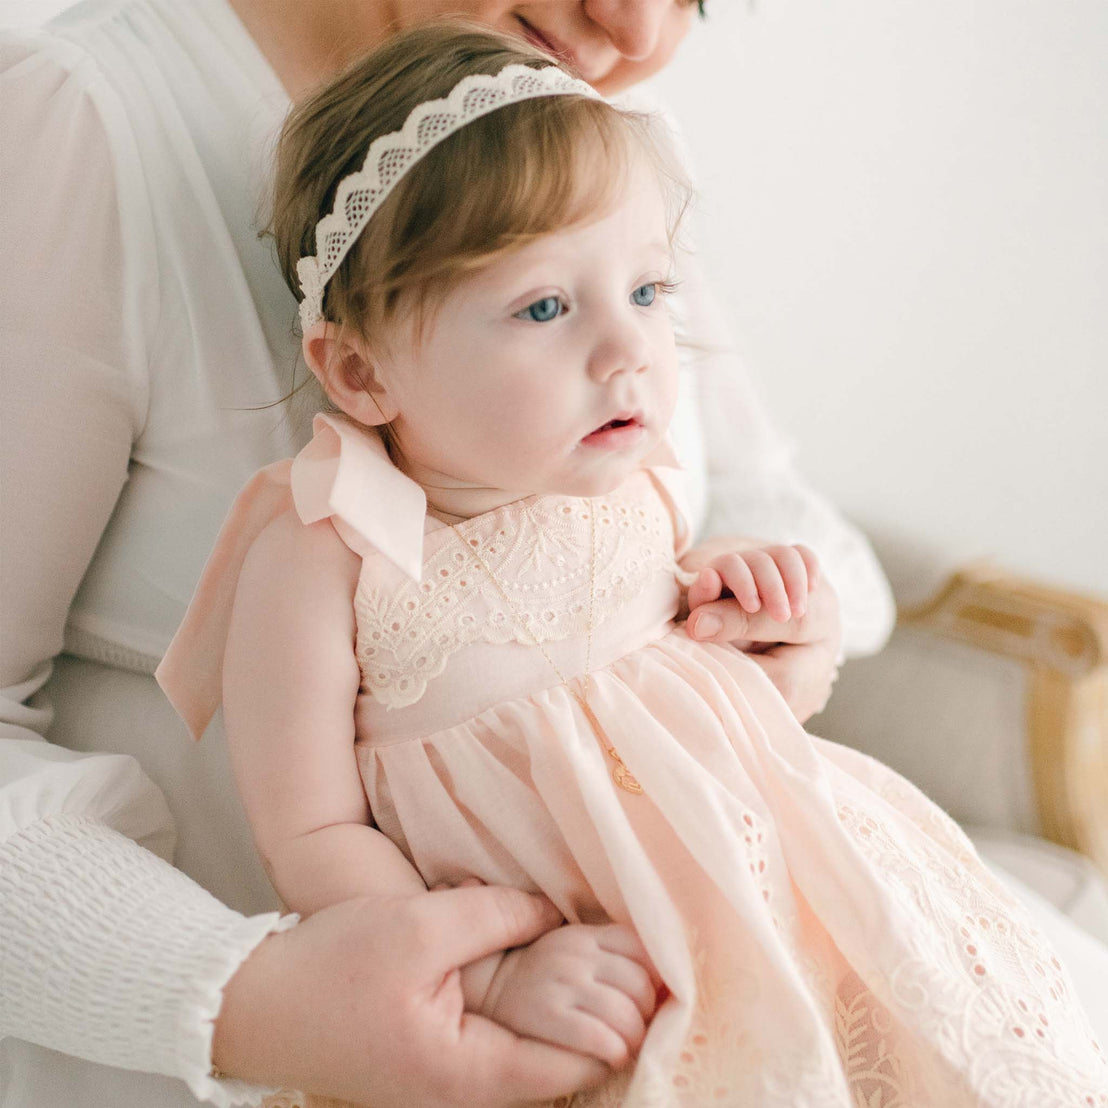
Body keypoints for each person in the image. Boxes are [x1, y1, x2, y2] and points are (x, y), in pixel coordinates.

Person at [156, 26, 1108, 1107]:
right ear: (362, 369)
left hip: (776, 900)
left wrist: (773, 633)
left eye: (650, 292)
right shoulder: (328, 548)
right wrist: (488, 970)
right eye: (545, 308)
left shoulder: (634, 469)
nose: (629, 352)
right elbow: (312, 830)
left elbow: (702, 709)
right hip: (580, 980)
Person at [0, 0, 896, 1105]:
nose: (633, 23)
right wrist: (258, 998)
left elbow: (771, 504)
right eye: (544, 305)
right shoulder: (83, 121)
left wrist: (756, 648)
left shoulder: (586, 109)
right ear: (355, 367)